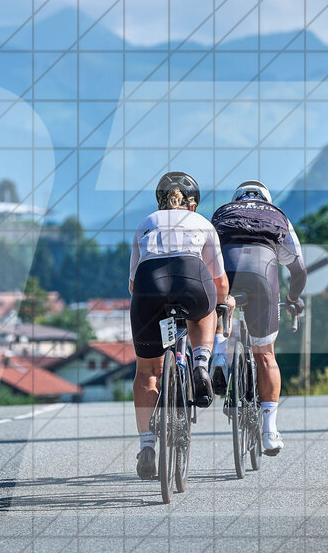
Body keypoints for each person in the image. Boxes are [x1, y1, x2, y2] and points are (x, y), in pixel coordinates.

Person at [129, 172, 229, 480]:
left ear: (159, 202)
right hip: (191, 282)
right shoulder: (203, 224)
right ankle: (200, 364)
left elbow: (133, 285)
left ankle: (147, 447)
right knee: (206, 310)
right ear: (193, 203)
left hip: (149, 288)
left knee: (147, 372)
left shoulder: (145, 223)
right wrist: (223, 304)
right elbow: (220, 282)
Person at [210, 180, 307, 456]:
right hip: (262, 276)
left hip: (225, 274)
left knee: (220, 304)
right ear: (267, 199)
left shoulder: (221, 214)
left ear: (235, 199)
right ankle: (269, 431)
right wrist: (291, 300)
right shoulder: (278, 216)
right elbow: (298, 270)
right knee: (265, 354)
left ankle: (219, 353)